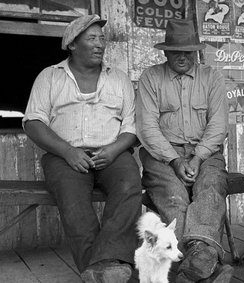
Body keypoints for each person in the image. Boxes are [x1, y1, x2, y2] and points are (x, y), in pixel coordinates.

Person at [22, 14, 142, 283]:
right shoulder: (50, 77)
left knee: (129, 186)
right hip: (64, 156)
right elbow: (33, 122)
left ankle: (101, 267)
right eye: (92, 38)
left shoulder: (119, 79)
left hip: (113, 152)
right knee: (73, 199)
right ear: (72, 44)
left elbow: (132, 127)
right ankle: (107, 269)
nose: (100, 44)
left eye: (102, 38)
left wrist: (113, 150)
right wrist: (67, 151)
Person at [136, 19, 234, 283]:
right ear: (165, 51)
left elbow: (218, 125)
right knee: (174, 196)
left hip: (206, 154)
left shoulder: (211, 77)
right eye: (176, 50)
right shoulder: (151, 78)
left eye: (188, 51)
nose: (182, 56)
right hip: (163, 156)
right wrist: (176, 160)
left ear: (197, 52)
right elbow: (146, 128)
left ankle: (195, 260)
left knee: (210, 189)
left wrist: (199, 157)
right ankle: (203, 263)